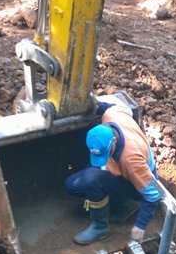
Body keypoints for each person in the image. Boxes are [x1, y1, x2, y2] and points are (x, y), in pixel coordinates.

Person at [64, 99, 161, 245]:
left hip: (135, 185)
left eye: (106, 153)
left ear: (114, 141)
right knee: (72, 185)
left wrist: (140, 225)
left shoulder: (131, 160)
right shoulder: (112, 114)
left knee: (92, 180)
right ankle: (111, 199)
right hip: (118, 170)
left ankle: (100, 227)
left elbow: (154, 194)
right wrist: (94, 105)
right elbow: (118, 107)